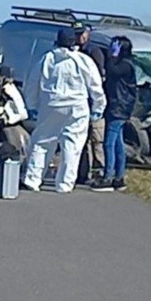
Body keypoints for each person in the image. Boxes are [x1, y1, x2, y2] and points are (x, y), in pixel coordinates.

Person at [21, 28, 106, 193]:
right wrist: (98, 107)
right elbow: (95, 86)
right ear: (73, 42)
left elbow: (33, 82)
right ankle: (65, 184)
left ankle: (32, 179)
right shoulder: (83, 60)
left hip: (51, 104)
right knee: (72, 145)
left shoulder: (47, 59)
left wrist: (31, 105)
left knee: (42, 142)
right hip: (77, 106)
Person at [91, 36, 137, 192]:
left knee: (108, 143)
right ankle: (119, 177)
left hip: (119, 108)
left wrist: (112, 57)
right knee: (118, 143)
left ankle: (108, 177)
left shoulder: (125, 65)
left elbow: (112, 70)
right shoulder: (124, 64)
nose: (111, 48)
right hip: (116, 107)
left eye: (114, 46)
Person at [72, 22, 106, 186]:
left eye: (82, 33)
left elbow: (99, 78)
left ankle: (99, 172)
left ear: (88, 33)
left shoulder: (93, 51)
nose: (79, 37)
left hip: (94, 103)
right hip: (79, 104)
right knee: (81, 141)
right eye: (76, 34)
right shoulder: (72, 52)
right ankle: (82, 172)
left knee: (97, 140)